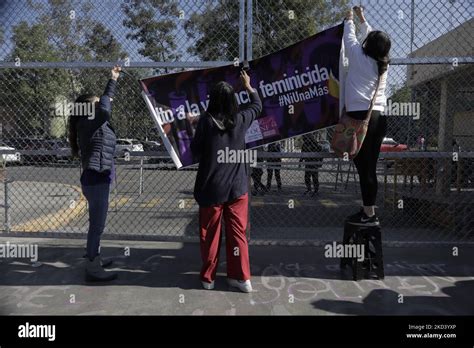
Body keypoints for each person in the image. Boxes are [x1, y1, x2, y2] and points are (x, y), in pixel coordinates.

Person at [191, 70, 262, 293]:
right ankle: (241, 278)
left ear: (212, 100)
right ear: (233, 100)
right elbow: (257, 106)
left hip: (211, 187)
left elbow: (195, 152)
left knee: (210, 235)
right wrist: (248, 86)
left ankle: (208, 278)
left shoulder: (205, 122)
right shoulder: (241, 120)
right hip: (237, 187)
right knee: (238, 233)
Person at [68, 65, 122, 282]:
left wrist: (105, 101)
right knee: (97, 226)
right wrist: (112, 81)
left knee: (97, 225)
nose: (101, 103)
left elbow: (105, 114)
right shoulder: (88, 123)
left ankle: (95, 257)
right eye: (97, 102)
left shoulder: (94, 124)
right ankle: (92, 266)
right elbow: (105, 111)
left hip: (98, 177)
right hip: (96, 178)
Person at [343, 6, 391, 226]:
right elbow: (367, 38)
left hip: (359, 117)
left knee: (364, 168)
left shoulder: (358, 56)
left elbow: (349, 36)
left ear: (368, 45)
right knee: (370, 166)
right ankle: (369, 211)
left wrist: (349, 19)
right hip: (378, 117)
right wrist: (362, 19)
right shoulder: (383, 63)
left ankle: (369, 214)